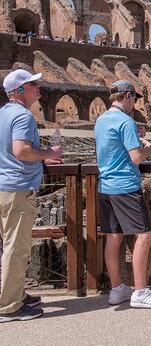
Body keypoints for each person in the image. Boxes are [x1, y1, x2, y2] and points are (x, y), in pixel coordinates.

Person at [94, 80, 151, 308]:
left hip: (105, 186)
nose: (135, 104)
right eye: (134, 99)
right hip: (125, 186)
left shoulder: (100, 120)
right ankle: (140, 292)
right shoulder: (125, 121)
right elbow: (136, 157)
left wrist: (134, 136)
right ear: (127, 95)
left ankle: (117, 290)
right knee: (145, 236)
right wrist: (147, 146)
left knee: (113, 237)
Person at [0, 69, 62, 323]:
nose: (39, 88)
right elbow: (22, 150)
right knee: (17, 248)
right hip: (17, 189)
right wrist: (49, 153)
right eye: (33, 84)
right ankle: (9, 307)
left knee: (7, 246)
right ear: (20, 90)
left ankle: (16, 294)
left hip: (4, 186)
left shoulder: (3, 113)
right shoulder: (23, 116)